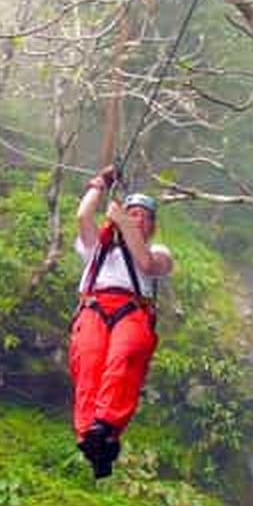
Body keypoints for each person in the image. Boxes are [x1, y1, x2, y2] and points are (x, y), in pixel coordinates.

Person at [69, 166, 174, 478]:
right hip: (94, 308)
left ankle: (107, 425)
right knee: (88, 363)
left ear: (151, 226)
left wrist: (123, 221)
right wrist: (100, 184)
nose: (136, 218)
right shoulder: (98, 248)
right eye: (133, 213)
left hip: (132, 311)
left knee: (123, 358)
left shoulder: (158, 251)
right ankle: (90, 436)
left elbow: (145, 263)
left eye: (143, 215)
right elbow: (83, 217)